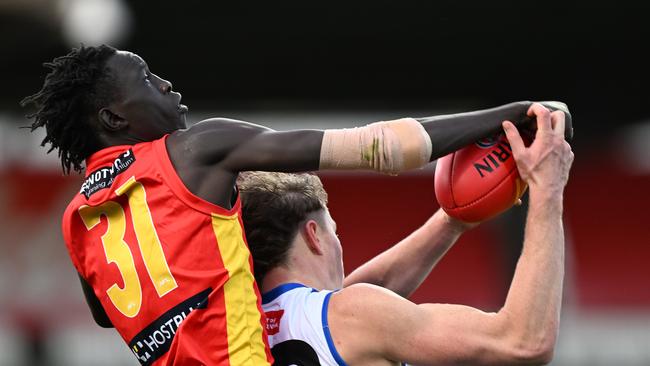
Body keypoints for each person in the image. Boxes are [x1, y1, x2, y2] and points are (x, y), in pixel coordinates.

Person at [21, 43, 571, 366]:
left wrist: (452, 219)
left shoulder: (79, 223)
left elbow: (106, 312)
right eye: (146, 78)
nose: (166, 85)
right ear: (114, 120)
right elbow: (379, 149)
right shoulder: (194, 150)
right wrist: (523, 123)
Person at [240, 104, 574, 365]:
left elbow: (364, 290)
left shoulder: (244, 324)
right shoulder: (351, 316)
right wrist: (547, 187)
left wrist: (452, 220)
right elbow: (524, 341)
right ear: (314, 236)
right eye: (334, 232)